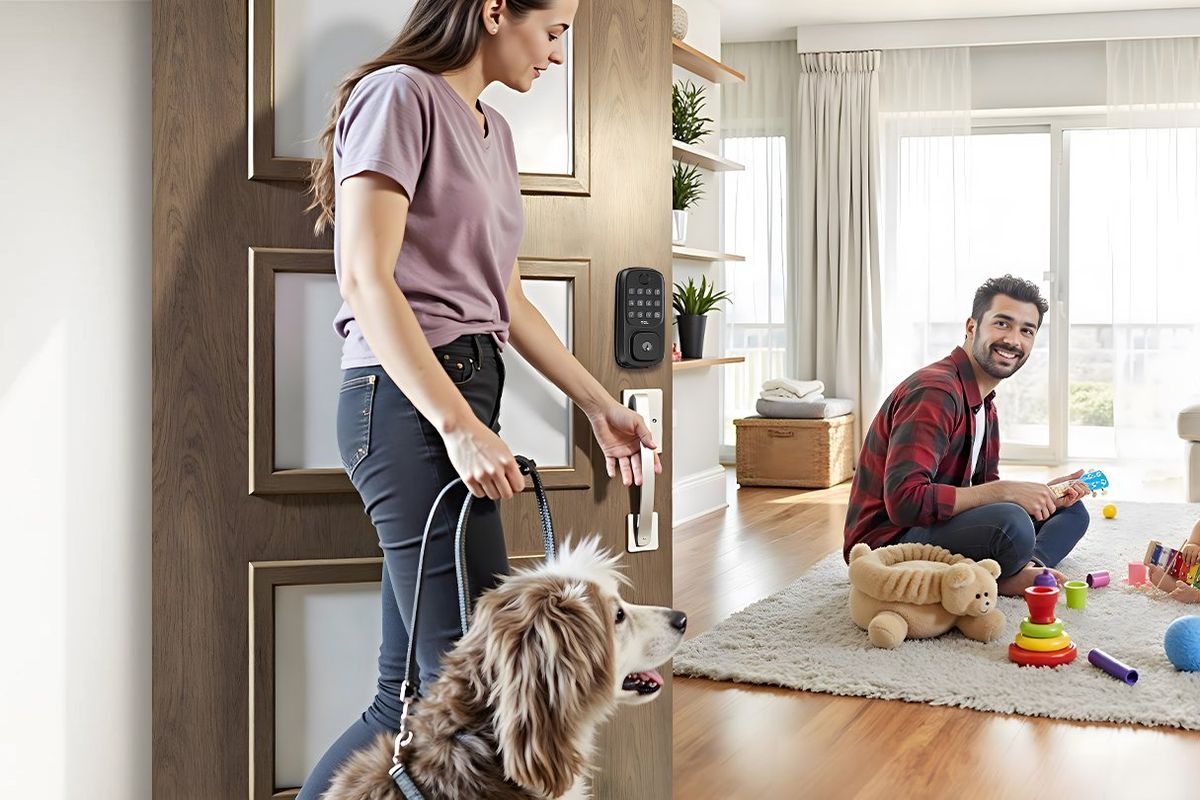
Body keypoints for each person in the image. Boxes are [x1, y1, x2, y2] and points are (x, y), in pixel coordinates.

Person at [297, 1, 659, 796]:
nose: (557, 54)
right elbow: (365, 277)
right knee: (469, 699)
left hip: (457, 395)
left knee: (411, 697)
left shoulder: (493, 133)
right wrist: (457, 426)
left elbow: (508, 300)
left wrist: (597, 405)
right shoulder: (401, 95)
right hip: (409, 406)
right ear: (495, 10)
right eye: (554, 30)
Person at [843, 275, 1091, 597]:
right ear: (972, 326)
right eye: (1002, 323)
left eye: (1026, 331)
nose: (1013, 340)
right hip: (888, 544)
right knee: (1012, 523)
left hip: (933, 527)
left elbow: (982, 491)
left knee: (1070, 512)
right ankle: (1001, 577)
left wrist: (1042, 494)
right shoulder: (935, 392)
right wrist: (1007, 492)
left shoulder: (985, 402)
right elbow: (905, 502)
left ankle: (1026, 568)